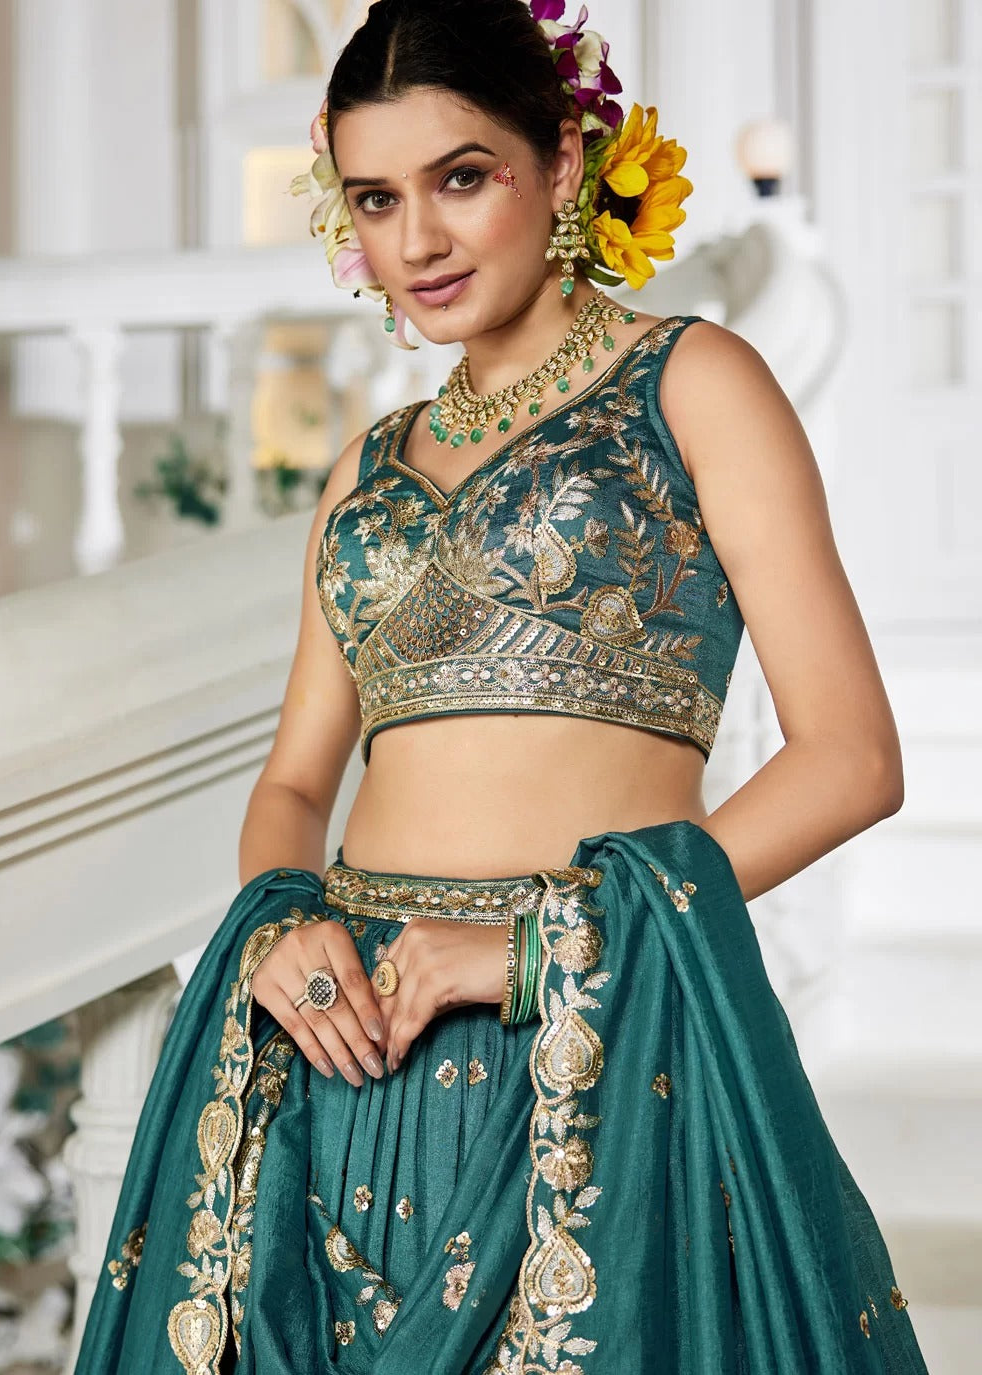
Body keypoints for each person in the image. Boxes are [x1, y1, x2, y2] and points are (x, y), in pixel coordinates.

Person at [75, 1, 931, 1371]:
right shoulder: (366, 467)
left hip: (587, 1046)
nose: (415, 240)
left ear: (566, 163)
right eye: (375, 197)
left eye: (461, 177)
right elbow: (298, 780)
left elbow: (851, 758)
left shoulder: (693, 383)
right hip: (341, 1057)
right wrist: (277, 920)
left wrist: (548, 946)